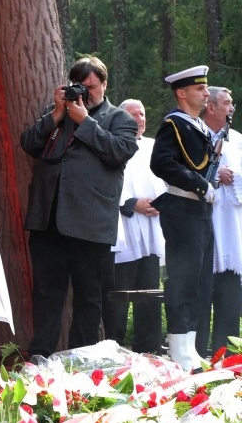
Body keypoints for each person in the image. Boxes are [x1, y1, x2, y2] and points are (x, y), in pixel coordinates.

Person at [21, 56, 138, 359]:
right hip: (48, 219)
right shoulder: (55, 114)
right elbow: (29, 143)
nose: (86, 93)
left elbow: (119, 152)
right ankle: (40, 357)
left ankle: (80, 361)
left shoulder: (119, 118)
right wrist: (57, 115)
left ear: (105, 85)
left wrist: (85, 121)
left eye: (92, 87)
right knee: (47, 294)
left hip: (90, 223)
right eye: (79, 87)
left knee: (88, 296)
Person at [150, 65, 215, 373]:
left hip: (200, 211)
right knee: (183, 279)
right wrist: (199, 183)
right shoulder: (174, 124)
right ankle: (178, 347)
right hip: (182, 208)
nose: (206, 93)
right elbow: (160, 162)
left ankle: (189, 347)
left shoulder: (197, 126)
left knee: (199, 281)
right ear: (182, 92)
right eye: (200, 89)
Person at [101, 99, 165, 354]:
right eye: (133, 114)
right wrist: (130, 203)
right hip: (124, 230)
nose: (139, 119)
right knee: (118, 294)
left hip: (151, 229)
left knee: (150, 294)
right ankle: (113, 348)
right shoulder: (112, 145)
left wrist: (162, 202)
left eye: (143, 113)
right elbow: (105, 185)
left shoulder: (154, 147)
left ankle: (149, 348)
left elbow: (166, 178)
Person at [195, 86, 241, 358]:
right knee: (199, 302)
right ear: (210, 107)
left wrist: (232, 175)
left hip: (231, 233)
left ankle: (228, 361)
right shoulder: (194, 134)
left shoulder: (237, 140)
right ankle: (197, 358)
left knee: (229, 301)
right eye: (226, 103)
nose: (231, 107)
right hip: (201, 230)